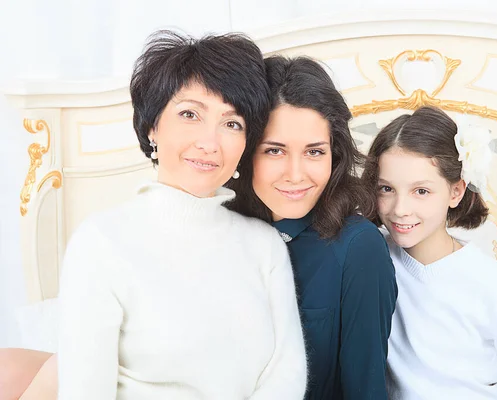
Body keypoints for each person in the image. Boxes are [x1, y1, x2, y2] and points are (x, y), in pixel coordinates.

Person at [0, 30, 307, 400]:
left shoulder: (263, 244)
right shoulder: (102, 241)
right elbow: (86, 390)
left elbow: (286, 376)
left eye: (232, 123)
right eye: (189, 114)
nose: (210, 142)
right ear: (152, 127)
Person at [227, 55, 398, 400]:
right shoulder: (219, 231)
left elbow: (365, 389)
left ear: (335, 155)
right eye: (274, 151)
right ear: (246, 154)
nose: (295, 174)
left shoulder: (357, 247)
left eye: (314, 152)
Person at [362, 106, 497, 399]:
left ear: (456, 192)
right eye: (387, 189)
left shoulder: (490, 283)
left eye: (421, 191)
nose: (400, 209)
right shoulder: (373, 257)